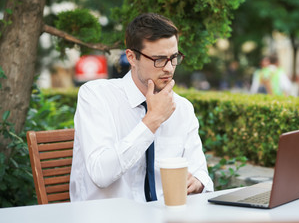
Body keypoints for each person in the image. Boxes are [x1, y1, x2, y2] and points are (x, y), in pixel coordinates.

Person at [70, 13, 214, 202]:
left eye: (174, 57)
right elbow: (101, 174)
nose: (169, 68)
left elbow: (200, 172)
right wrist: (152, 120)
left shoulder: (182, 107)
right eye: (159, 59)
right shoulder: (96, 96)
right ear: (132, 57)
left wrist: (198, 182)